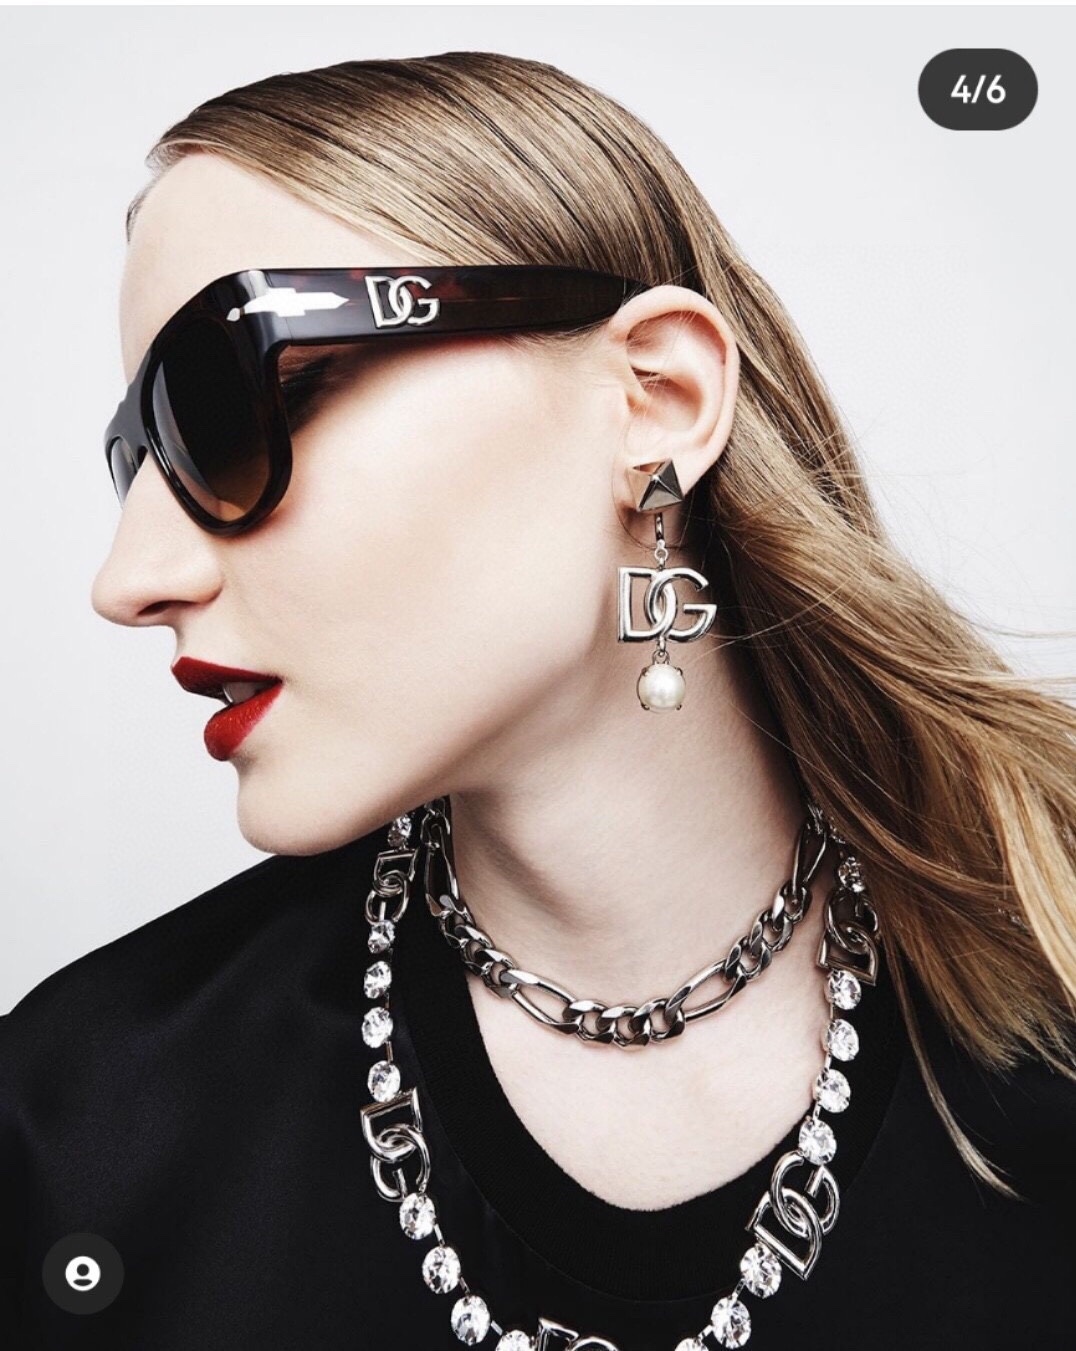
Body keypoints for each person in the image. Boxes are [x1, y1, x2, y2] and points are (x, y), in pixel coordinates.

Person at [3, 50, 1075, 1351]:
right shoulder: (76, 1123)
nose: (129, 578)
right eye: (139, 461)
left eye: (228, 408)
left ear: (656, 400)